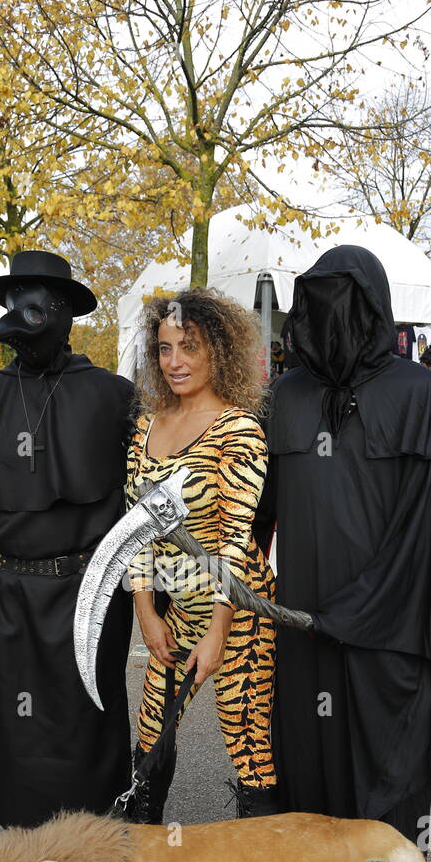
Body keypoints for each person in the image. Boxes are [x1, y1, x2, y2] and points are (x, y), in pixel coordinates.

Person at [260, 246, 431, 862]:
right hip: (307, 628)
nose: (333, 319)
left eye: (347, 303)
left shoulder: (418, 394)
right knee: (311, 764)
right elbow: (255, 511)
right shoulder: (286, 397)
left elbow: (429, 531)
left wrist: (362, 610)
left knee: (394, 769)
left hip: (392, 625)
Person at [0, 250, 134, 828]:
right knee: (23, 727)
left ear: (67, 312)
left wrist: (154, 595)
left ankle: (100, 849)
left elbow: (143, 504)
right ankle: (27, 854)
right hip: (11, 597)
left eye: (42, 301)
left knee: (94, 718)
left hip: (93, 593)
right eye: (16, 299)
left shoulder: (114, 396)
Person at [126, 290, 277, 822]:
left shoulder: (238, 429)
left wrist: (218, 630)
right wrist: (146, 612)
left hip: (240, 609)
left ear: (219, 350)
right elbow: (135, 531)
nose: (175, 362)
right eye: (165, 348)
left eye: (189, 347)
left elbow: (235, 539)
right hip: (178, 608)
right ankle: (140, 849)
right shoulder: (146, 425)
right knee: (152, 725)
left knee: (244, 733)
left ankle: (263, 858)